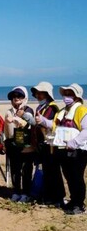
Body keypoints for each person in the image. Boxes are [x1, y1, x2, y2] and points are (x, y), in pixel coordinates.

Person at [44, 83, 87, 215]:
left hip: (78, 150)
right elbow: (54, 126)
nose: (66, 96)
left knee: (77, 177)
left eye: (70, 94)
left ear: (76, 96)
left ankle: (79, 204)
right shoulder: (62, 111)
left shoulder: (81, 110)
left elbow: (86, 130)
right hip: (63, 149)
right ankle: (73, 202)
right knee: (69, 176)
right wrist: (42, 121)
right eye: (65, 94)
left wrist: (75, 142)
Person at [31, 82, 61, 206]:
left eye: (41, 93)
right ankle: (46, 196)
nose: (38, 95)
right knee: (45, 171)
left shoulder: (52, 107)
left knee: (53, 172)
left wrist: (40, 121)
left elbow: (51, 125)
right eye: (37, 93)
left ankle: (57, 197)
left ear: (47, 94)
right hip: (41, 144)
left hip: (50, 145)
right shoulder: (40, 108)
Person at [5, 86, 36, 203]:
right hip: (13, 145)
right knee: (15, 170)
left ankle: (26, 193)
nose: (16, 98)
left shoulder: (28, 110)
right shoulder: (9, 111)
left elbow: (27, 122)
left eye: (19, 96)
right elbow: (6, 131)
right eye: (13, 96)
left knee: (26, 171)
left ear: (25, 97)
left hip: (26, 147)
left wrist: (15, 119)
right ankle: (16, 191)